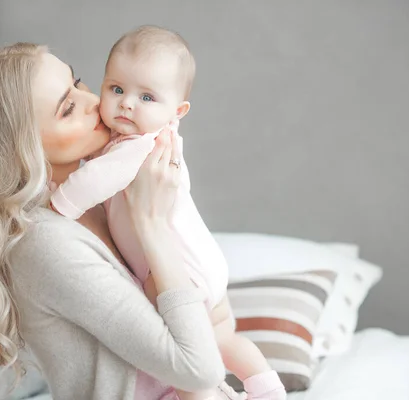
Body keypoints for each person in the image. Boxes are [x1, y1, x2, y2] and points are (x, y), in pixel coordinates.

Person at [0, 42, 246, 400]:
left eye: (78, 82)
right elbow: (200, 370)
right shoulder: (43, 243)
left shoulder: (98, 198)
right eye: (68, 108)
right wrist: (152, 226)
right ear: (21, 148)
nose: (97, 102)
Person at [50, 26, 286, 400]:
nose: (127, 103)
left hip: (176, 271)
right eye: (116, 89)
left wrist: (61, 204)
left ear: (177, 111)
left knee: (177, 355)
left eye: (146, 96)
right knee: (223, 338)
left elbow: (94, 181)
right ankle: (268, 389)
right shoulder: (145, 138)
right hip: (204, 261)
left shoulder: (141, 146)